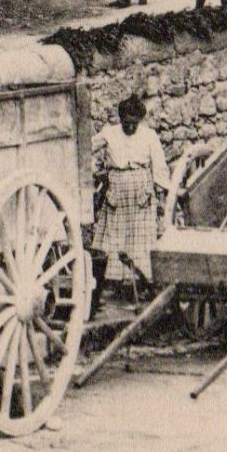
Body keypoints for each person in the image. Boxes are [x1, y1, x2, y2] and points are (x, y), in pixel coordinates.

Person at [88, 95, 172, 313]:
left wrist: (160, 194)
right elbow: (86, 147)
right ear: (121, 119)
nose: (130, 126)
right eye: (127, 122)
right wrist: (93, 169)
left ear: (140, 121)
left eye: (134, 122)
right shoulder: (110, 133)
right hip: (117, 188)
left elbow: (160, 166)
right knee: (115, 236)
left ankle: (142, 280)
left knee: (140, 238)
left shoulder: (149, 136)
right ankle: (116, 282)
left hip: (140, 190)